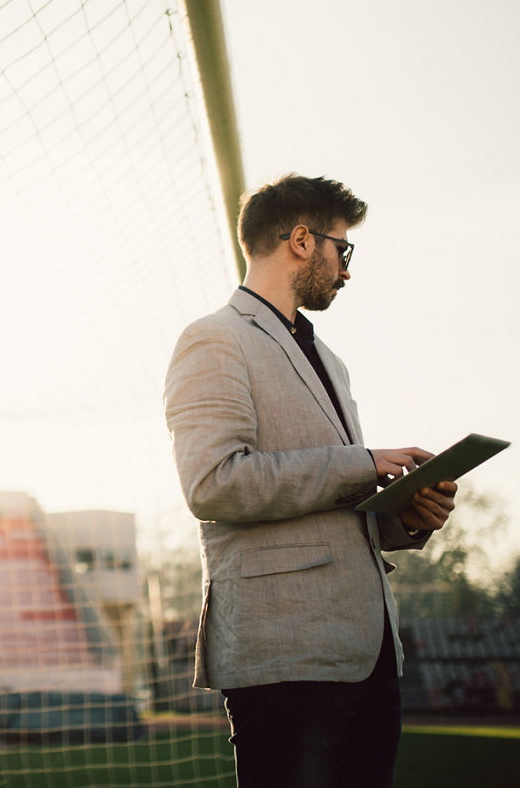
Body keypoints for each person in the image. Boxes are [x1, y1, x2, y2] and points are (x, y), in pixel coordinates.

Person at [163, 174, 457, 788]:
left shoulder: (332, 361)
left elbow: (334, 503)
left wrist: (403, 516)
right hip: (283, 654)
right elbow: (214, 485)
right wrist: (365, 461)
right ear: (302, 240)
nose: (346, 271)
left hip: (369, 654)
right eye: (341, 250)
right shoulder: (213, 339)